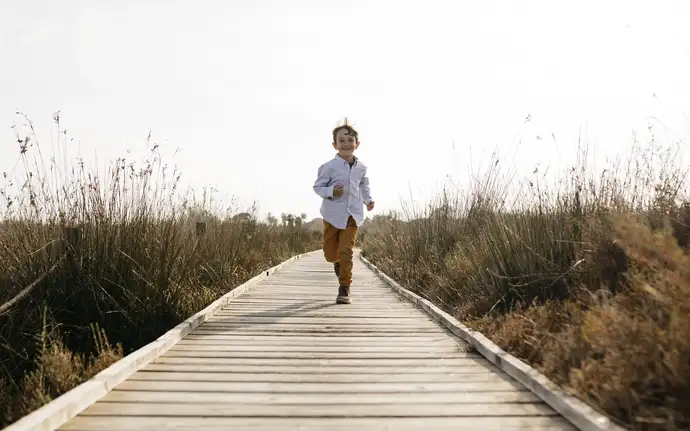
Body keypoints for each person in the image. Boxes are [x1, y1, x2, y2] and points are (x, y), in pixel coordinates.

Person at [313, 119, 375, 304]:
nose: (346, 144)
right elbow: (317, 187)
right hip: (332, 215)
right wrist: (332, 191)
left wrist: (368, 200)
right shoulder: (328, 167)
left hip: (352, 215)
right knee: (331, 254)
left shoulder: (361, 167)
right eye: (342, 141)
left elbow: (364, 186)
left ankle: (344, 288)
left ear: (357, 144)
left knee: (346, 250)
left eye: (350, 140)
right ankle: (338, 263)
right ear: (335, 144)